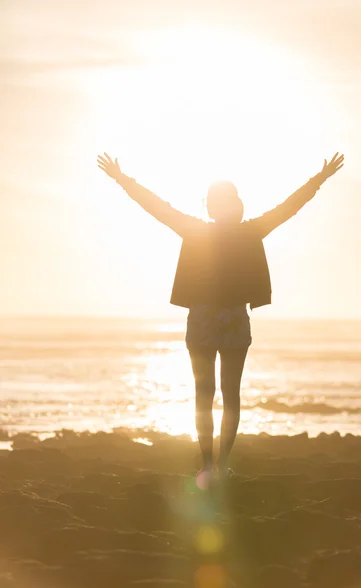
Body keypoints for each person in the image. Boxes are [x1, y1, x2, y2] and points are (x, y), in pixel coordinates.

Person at [97, 151, 344, 483]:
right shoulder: (250, 231)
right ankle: (221, 464)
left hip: (203, 320)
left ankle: (209, 464)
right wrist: (320, 178)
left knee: (205, 394)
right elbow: (290, 207)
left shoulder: (197, 230)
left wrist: (122, 178)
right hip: (232, 320)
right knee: (230, 394)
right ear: (235, 205)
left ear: (213, 207)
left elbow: (157, 208)